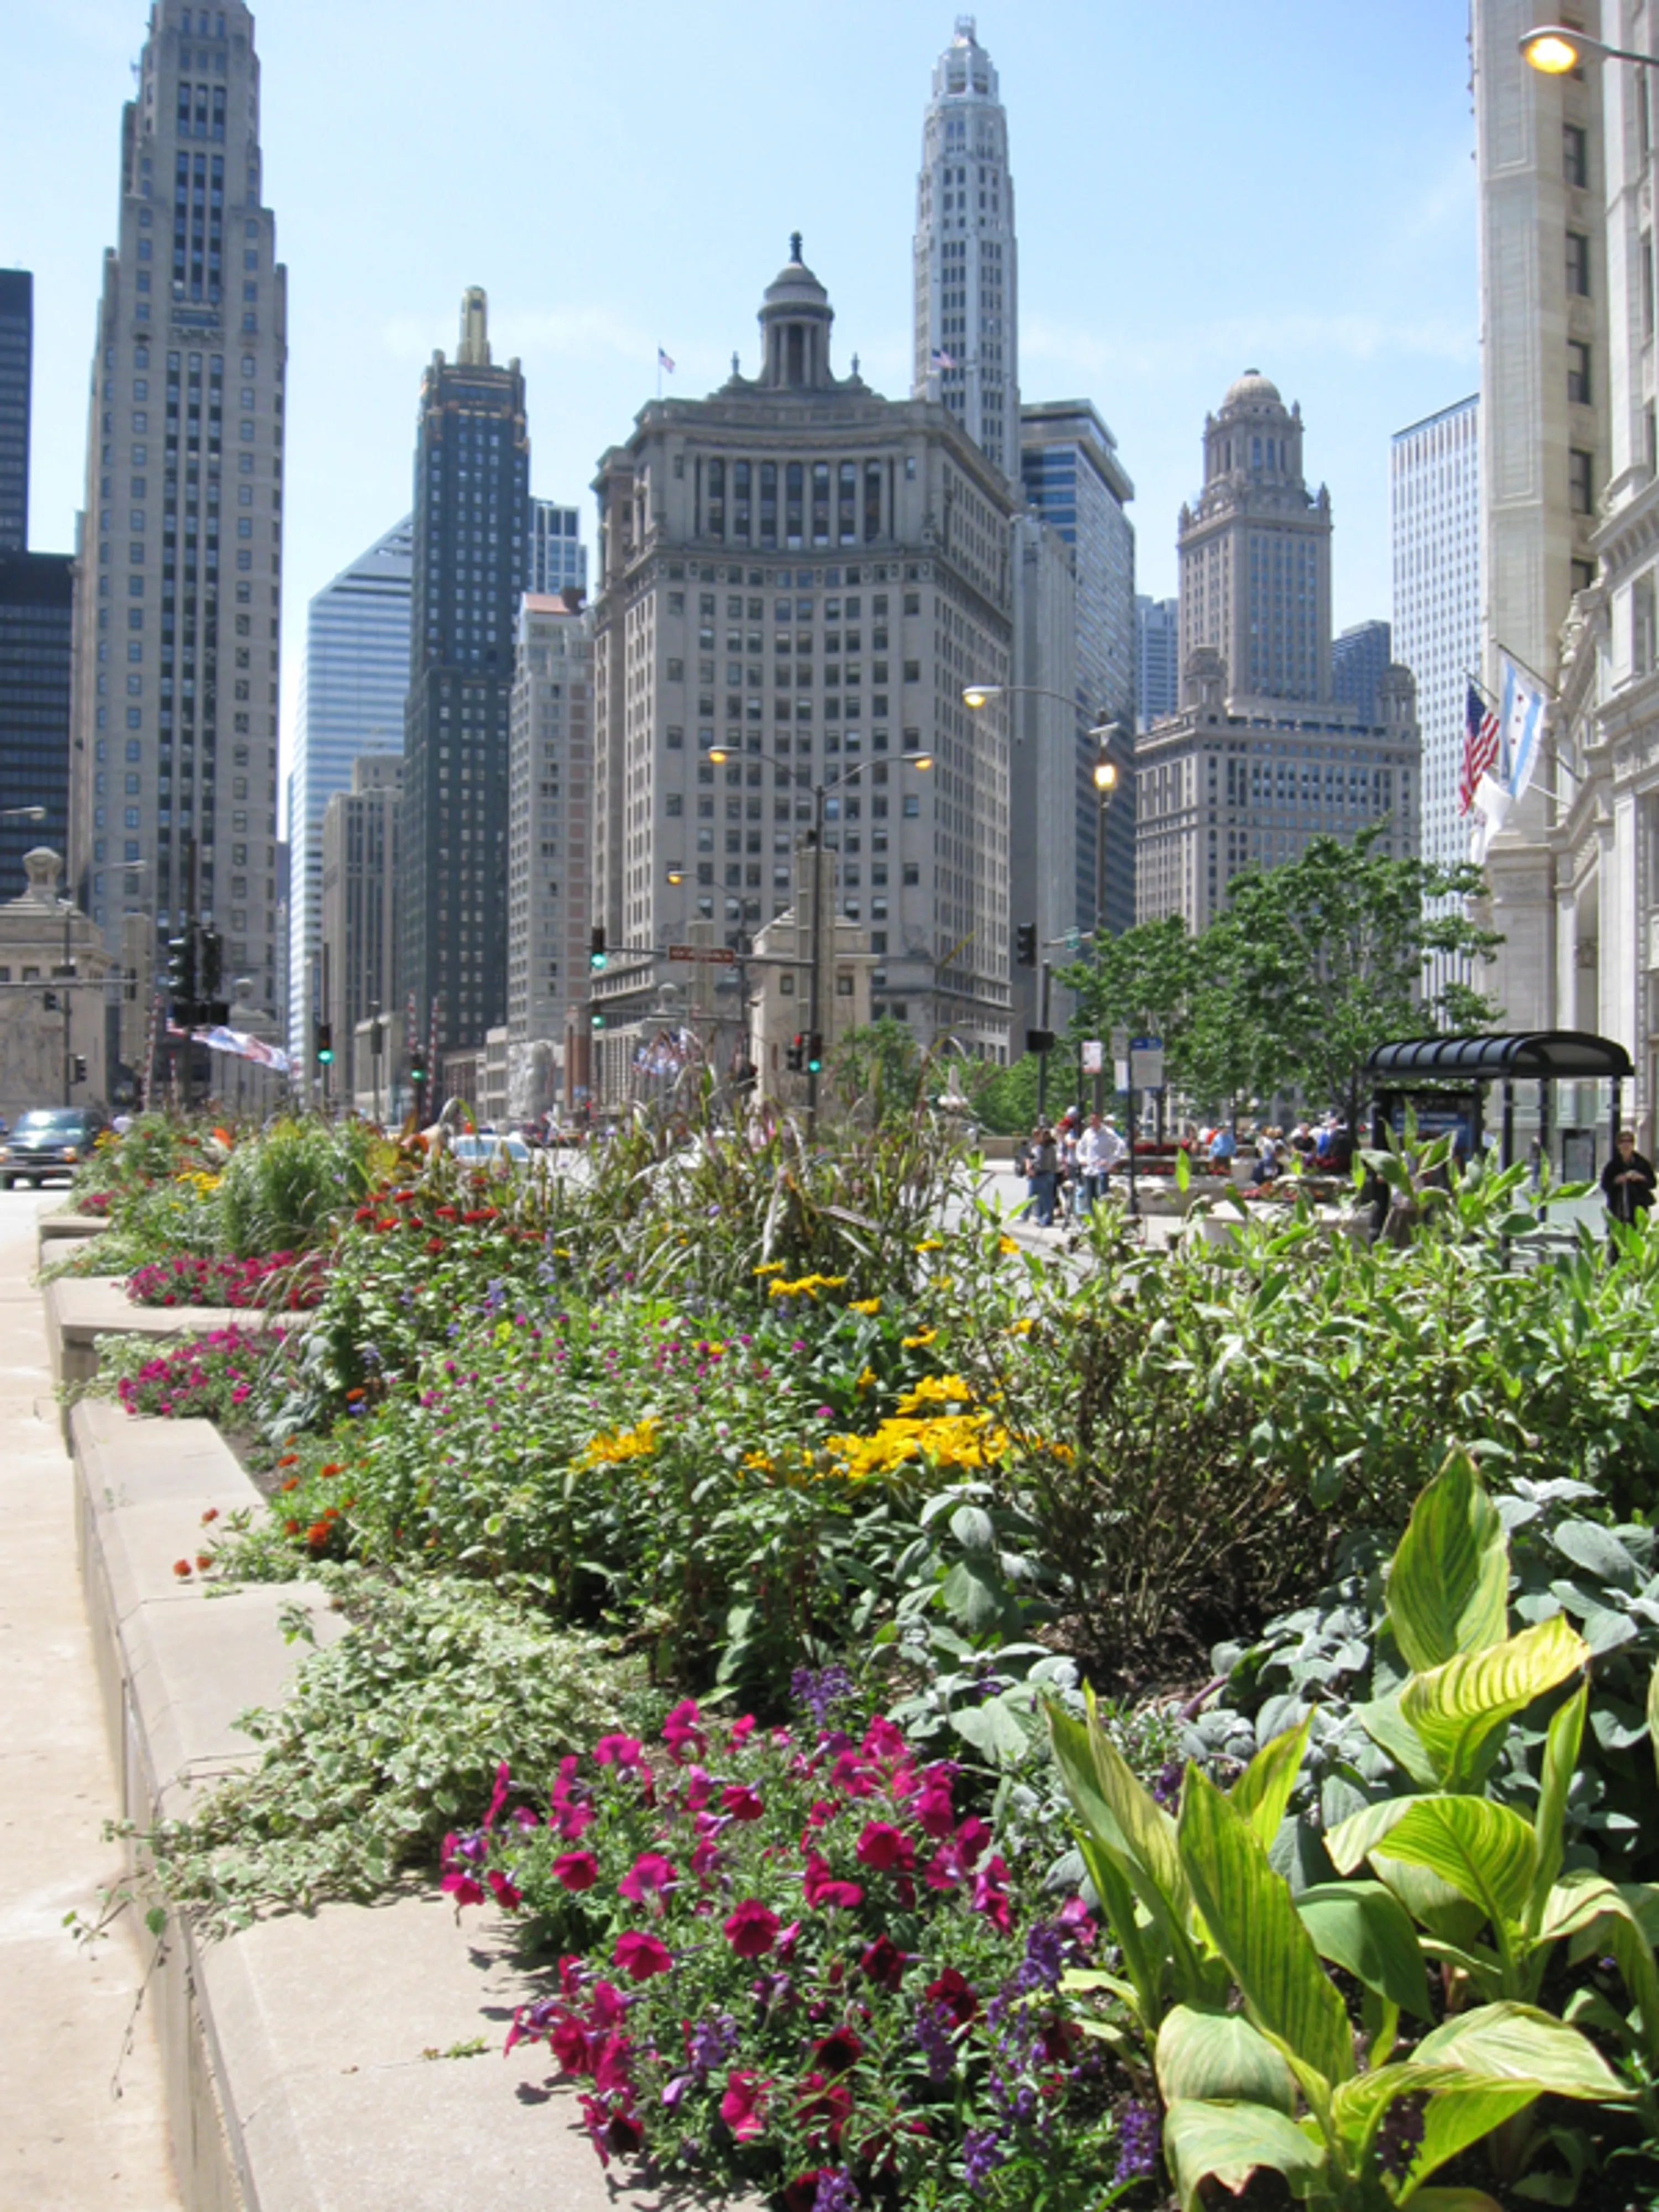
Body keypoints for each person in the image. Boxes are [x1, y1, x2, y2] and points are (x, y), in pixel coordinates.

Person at [1601, 1128, 1656, 1227]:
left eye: (1629, 1141)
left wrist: (1641, 1178)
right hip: (1618, 1209)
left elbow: (1653, 1183)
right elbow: (1605, 1185)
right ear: (1618, 1145)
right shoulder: (1613, 1165)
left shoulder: (1642, 1163)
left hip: (1638, 1209)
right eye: (1623, 1141)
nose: (1626, 1145)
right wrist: (1617, 1181)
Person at [1076, 1111, 1126, 1213]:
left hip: (1101, 1170)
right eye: (1091, 1120)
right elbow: (1080, 1148)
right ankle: (1093, 1220)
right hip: (1089, 1170)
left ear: (1100, 1120)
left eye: (1094, 1120)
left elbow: (1121, 1146)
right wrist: (1082, 1159)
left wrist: (1110, 1160)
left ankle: (1103, 1220)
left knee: (1102, 1197)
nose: (1092, 1122)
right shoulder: (1088, 1133)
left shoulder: (1108, 1133)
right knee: (1090, 1198)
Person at [1025, 1121, 1060, 1227]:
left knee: (1044, 1198)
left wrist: (1034, 1170)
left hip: (1043, 1174)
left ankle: (1044, 1218)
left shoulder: (1043, 1148)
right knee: (1046, 1198)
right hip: (1049, 1174)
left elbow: (1040, 1162)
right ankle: (1045, 1218)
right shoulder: (1051, 1147)